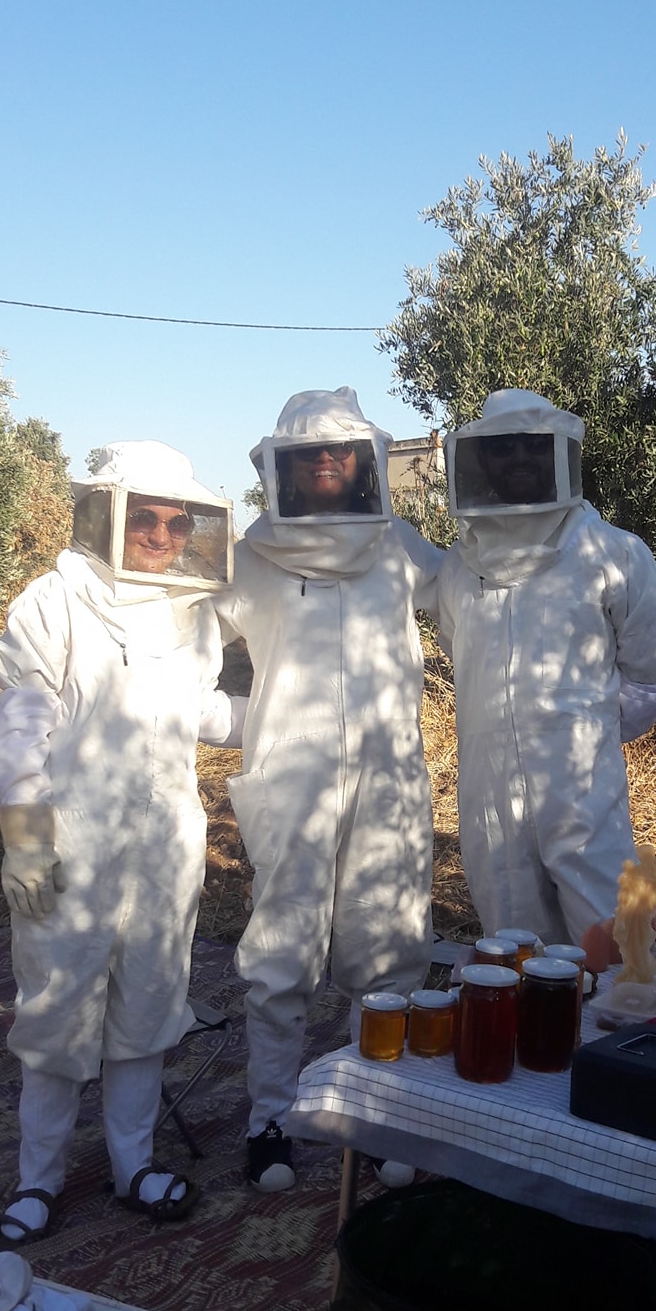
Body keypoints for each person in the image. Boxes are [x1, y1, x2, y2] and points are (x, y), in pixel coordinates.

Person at [0, 441, 243, 1245]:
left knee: (149, 1006)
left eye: (176, 522)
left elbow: (202, 712)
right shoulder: (55, 602)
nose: (162, 536)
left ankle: (133, 1168)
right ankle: (38, 1180)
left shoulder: (191, 614)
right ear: (106, 514)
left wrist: (292, 718)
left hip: (165, 846)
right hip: (71, 848)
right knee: (57, 1014)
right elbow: (20, 730)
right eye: (145, 519)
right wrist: (27, 840)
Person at [216, 387, 441, 1191]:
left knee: (387, 949)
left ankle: (373, 1109)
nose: (324, 465)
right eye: (308, 455)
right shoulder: (249, 558)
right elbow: (181, 649)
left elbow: (475, 604)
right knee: (281, 954)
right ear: (281, 464)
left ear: (364, 460)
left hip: (389, 775)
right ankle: (271, 1116)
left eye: (338, 453)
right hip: (291, 780)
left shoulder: (399, 546)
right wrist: (234, 720)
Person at [438, 388, 656, 946]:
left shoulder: (613, 552)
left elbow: (646, 667)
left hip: (582, 788)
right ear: (481, 460)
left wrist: (588, 732)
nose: (520, 457)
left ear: (558, 452)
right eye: (504, 447)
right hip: (488, 790)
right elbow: (459, 651)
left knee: (617, 942)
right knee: (517, 951)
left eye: (534, 445)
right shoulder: (459, 567)